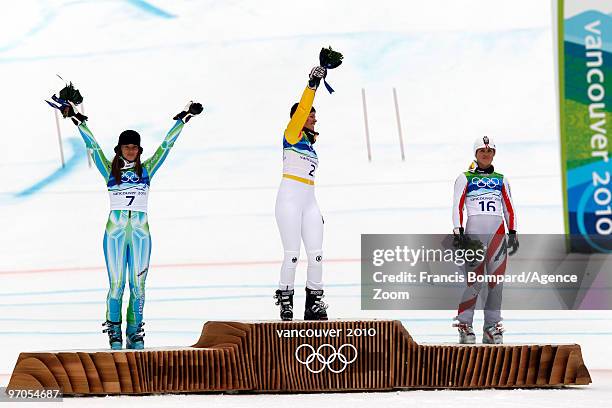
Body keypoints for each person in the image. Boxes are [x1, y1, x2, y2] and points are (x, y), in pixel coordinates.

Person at [47, 90, 202, 349]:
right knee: (117, 285)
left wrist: (184, 118)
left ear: (139, 150)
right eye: (126, 147)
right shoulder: (109, 170)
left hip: (141, 233)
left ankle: (135, 332)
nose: (130, 150)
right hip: (115, 234)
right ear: (119, 149)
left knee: (139, 286)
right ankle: (114, 331)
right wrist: (76, 118)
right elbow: (92, 146)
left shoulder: (148, 169)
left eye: (134, 147)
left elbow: (167, 145)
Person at [274, 65, 330, 321]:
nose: (314, 119)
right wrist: (312, 84)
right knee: (293, 254)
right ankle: (286, 301)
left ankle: (314, 303)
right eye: (310, 115)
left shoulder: (309, 143)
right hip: (289, 200)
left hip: (309, 202)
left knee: (317, 255)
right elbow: (303, 110)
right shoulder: (291, 134)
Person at [451, 136, 519, 344]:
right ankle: (464, 324)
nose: (486, 154)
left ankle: (491, 326)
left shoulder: (501, 178)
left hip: (498, 233)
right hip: (473, 233)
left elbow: (509, 207)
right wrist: (458, 231)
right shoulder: (465, 177)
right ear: (476, 154)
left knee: (496, 282)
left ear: (494, 154)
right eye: (482, 151)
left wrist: (513, 232)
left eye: (489, 152)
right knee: (474, 282)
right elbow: (457, 206)